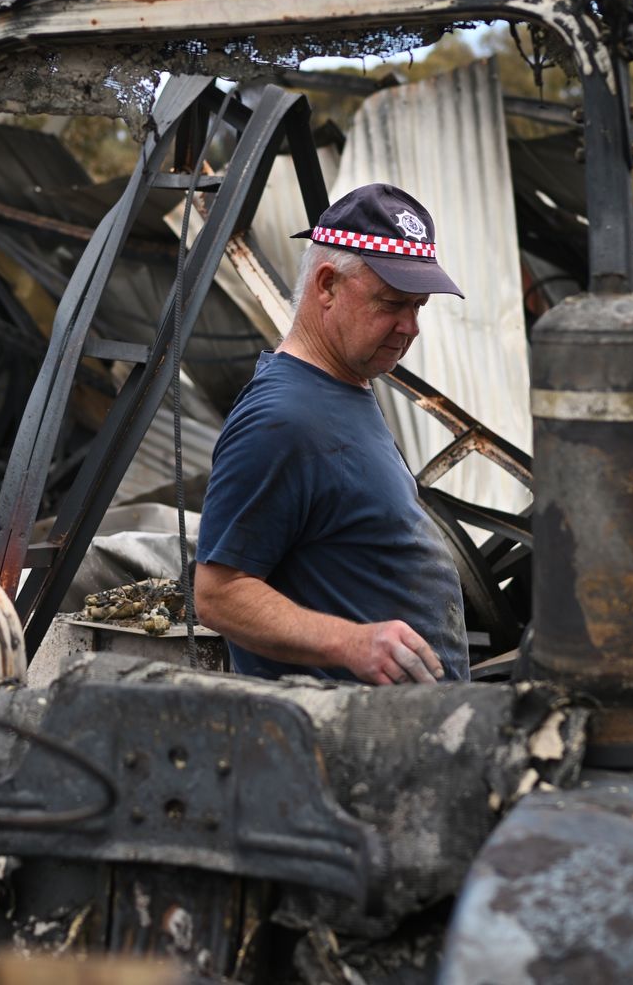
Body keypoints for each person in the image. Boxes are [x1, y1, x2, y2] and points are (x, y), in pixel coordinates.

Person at [193, 183, 470, 684]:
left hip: (408, 723)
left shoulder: (345, 386)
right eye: (391, 303)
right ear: (327, 286)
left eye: (419, 306)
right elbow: (218, 594)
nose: (410, 326)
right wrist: (351, 643)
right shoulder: (282, 419)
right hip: (340, 728)